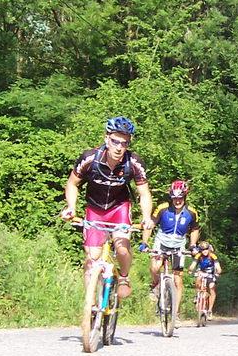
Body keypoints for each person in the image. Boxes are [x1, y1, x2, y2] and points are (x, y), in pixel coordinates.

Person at [61, 117, 152, 300]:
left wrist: (147, 216)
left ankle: (124, 277)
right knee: (91, 258)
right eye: (115, 141)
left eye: (124, 143)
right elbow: (72, 184)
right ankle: (90, 303)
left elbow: (144, 193)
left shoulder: (134, 162)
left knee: (122, 248)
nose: (119, 147)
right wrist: (71, 207)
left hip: (119, 208)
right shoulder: (89, 158)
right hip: (95, 209)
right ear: (106, 139)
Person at [145, 180, 200, 314]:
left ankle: (176, 313)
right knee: (155, 267)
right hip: (162, 241)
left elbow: (195, 229)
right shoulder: (163, 208)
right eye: (174, 198)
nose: (177, 201)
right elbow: (150, 224)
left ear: (185, 196)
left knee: (177, 280)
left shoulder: (191, 212)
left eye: (180, 198)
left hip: (179, 244)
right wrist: (144, 242)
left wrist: (192, 245)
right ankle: (156, 284)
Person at [188, 241, 222, 314]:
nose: (205, 251)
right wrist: (190, 270)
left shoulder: (213, 256)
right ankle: (197, 295)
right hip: (201, 272)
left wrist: (218, 272)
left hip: (210, 274)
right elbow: (193, 265)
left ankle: (210, 310)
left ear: (209, 249)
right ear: (200, 250)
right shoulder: (198, 255)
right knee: (198, 278)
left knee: (211, 287)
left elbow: (218, 267)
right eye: (203, 249)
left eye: (206, 249)